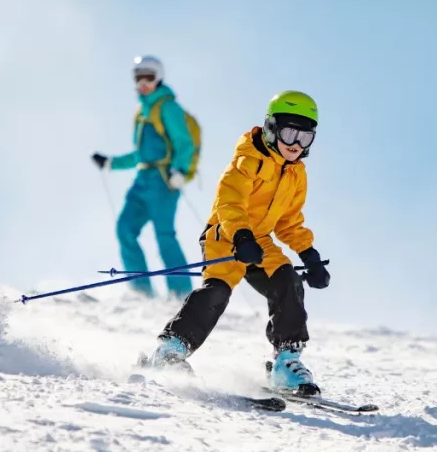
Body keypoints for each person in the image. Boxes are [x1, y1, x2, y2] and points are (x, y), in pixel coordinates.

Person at [139, 90, 331, 395]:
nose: (296, 144)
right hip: (226, 236)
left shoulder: (297, 175)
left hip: (261, 242)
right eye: (290, 133)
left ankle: (286, 361)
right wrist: (241, 236)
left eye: (305, 138)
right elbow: (229, 203)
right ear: (271, 128)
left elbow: (289, 221)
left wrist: (309, 255)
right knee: (217, 292)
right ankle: (169, 350)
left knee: (288, 280)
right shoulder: (247, 160)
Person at [92, 55, 195, 300]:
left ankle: (181, 294)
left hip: (164, 180)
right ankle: (141, 291)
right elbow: (141, 153)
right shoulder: (142, 112)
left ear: (158, 77)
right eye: (139, 78)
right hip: (142, 180)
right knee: (125, 229)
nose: (144, 83)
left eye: (149, 77)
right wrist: (111, 163)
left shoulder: (168, 107)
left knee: (164, 235)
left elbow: (185, 143)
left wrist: (180, 171)